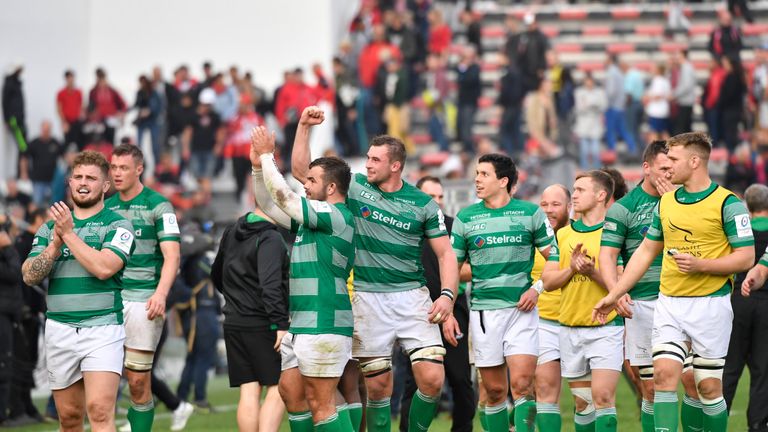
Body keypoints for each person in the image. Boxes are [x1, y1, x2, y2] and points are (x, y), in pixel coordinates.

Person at [291, 107, 459, 432]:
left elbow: (446, 255)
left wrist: (448, 297)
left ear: (395, 166)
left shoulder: (422, 203)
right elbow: (302, 171)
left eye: (375, 160)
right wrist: (303, 127)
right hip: (368, 299)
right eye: (367, 158)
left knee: (433, 379)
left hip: (413, 298)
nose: (367, 164)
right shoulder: (354, 187)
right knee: (379, 388)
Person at [594, 132, 755, 432]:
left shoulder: (727, 203)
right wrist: (614, 293)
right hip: (669, 303)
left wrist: (701, 265)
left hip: (711, 305)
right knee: (664, 378)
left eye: (674, 160)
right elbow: (644, 253)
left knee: (706, 387)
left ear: (695, 162)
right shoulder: (667, 203)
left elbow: (746, 257)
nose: (668, 166)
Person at [251, 116, 357, 431]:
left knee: (321, 404)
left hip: (324, 321)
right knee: (291, 393)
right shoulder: (313, 218)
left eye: (311, 180)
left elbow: (285, 198)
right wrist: (258, 168)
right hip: (302, 323)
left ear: (332, 187)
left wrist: (269, 156)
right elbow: (271, 207)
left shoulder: (336, 215)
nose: (305, 185)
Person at [21, 150, 136, 431]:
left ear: (105, 185)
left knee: (98, 412)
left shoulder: (118, 224)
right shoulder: (50, 229)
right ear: (70, 182)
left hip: (102, 329)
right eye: (78, 177)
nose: (83, 183)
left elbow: (105, 268)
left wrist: (69, 235)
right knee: (70, 418)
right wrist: (55, 245)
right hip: (59, 329)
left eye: (92, 178)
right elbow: (28, 275)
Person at [449, 153, 553, 432]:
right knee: (494, 391)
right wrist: (447, 303)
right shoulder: (466, 217)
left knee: (522, 385)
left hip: (522, 311)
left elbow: (554, 259)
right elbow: (453, 266)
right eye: (477, 173)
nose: (477, 179)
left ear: (503, 181)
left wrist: (537, 288)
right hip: (484, 313)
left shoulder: (530, 213)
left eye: (484, 174)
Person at [598, 141, 679, 432]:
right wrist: (616, 291)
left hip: (684, 300)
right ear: (646, 168)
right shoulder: (623, 209)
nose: (669, 175)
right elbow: (608, 255)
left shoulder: (686, 200)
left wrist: (674, 206)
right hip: (642, 304)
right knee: (651, 387)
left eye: (673, 168)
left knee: (697, 383)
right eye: (663, 169)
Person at [105, 144, 181, 432]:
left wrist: (160, 294)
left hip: (143, 300)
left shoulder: (158, 204)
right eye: (113, 168)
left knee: (137, 382)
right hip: (109, 301)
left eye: (123, 167)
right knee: (104, 381)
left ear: (139, 169)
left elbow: (173, 255)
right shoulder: (107, 206)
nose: (117, 173)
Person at [541, 170, 621, 432]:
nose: (573, 195)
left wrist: (592, 272)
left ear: (600, 195)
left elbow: (619, 285)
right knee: (583, 403)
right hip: (570, 328)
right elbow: (549, 281)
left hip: (605, 328)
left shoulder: (612, 234)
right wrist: (572, 269)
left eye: (580, 190)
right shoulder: (563, 236)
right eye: (573, 190)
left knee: (603, 399)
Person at [399, 176, 474, 432]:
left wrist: (448, 299)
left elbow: (471, 268)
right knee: (415, 380)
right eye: (431, 197)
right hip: (417, 311)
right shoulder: (406, 229)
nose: (437, 202)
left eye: (441, 197)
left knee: (460, 379)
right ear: (417, 198)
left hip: (454, 309)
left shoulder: (454, 227)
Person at [211, 203, 289, 431]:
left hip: (234, 320)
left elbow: (216, 273)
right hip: (263, 323)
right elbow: (270, 284)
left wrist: (236, 299)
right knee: (278, 387)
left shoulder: (232, 230)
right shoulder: (270, 237)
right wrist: (280, 323)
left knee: (249, 389)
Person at [723, 184, 768, 431]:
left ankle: (717, 418)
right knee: (763, 369)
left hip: (738, 300)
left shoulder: (741, 231)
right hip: (766, 305)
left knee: (730, 366)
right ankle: (759, 425)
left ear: (748, 207)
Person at [530, 184, 571, 432]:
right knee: (545, 390)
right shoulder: (532, 239)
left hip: (580, 323)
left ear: (569, 206)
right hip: (543, 322)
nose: (548, 210)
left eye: (555, 204)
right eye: (544, 205)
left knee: (587, 398)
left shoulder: (581, 235)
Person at [0, 215, 21, 427]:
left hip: (8, 313)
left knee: (6, 363)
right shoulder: (6, 251)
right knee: (3, 364)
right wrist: (6, 249)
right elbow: (15, 274)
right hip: (3, 314)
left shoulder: (8, 250)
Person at [22, 120, 65, 206]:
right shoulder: (34, 143)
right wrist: (24, 172)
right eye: (44, 130)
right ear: (41, 130)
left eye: (48, 130)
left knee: (54, 205)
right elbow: (24, 158)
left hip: (53, 181)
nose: (46, 132)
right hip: (38, 181)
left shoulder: (55, 143)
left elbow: (65, 157)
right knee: (37, 204)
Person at [574, 74, 606, 169]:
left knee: (595, 150)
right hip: (583, 124)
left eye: (590, 81)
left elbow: (604, 105)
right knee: (584, 150)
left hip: (595, 124)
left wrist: (594, 106)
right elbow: (579, 107)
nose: (589, 83)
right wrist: (588, 106)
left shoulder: (599, 92)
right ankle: (585, 171)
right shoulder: (579, 92)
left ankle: (597, 170)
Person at [87, 68, 126, 145]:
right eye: (99, 78)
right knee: (99, 142)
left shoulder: (112, 91)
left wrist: (122, 114)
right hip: (98, 121)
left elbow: (123, 104)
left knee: (110, 142)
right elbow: (90, 107)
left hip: (111, 119)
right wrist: (92, 115)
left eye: (103, 78)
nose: (101, 81)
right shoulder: (93, 92)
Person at [57, 70, 85, 150]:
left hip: (77, 122)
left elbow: (82, 106)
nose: (70, 80)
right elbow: (59, 109)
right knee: (67, 144)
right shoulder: (61, 93)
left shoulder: (78, 92)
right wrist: (64, 122)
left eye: (72, 77)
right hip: (67, 122)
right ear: (66, 79)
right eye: (68, 78)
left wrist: (82, 117)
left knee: (79, 143)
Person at [644, 64, 672, 141]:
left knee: (654, 132)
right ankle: (671, 149)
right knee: (663, 132)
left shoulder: (658, 80)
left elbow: (658, 96)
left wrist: (647, 97)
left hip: (657, 111)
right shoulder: (665, 80)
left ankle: (652, 152)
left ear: (658, 70)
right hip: (662, 110)